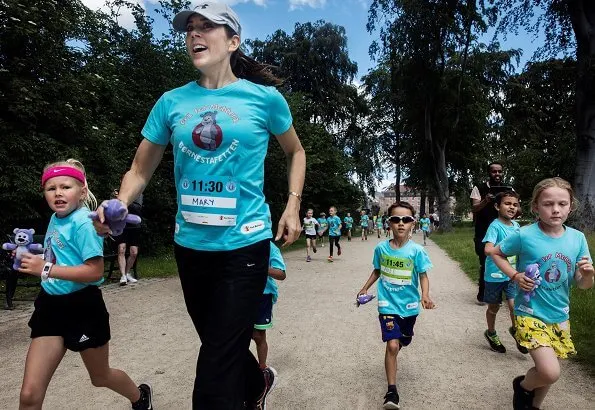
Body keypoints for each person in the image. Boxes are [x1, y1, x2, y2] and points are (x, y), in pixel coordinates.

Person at [93, 3, 306, 409]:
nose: (195, 34)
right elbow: (141, 166)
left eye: (208, 26)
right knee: (218, 343)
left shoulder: (264, 99)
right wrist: (119, 202)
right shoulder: (171, 103)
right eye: (190, 27)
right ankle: (255, 384)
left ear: (233, 41)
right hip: (191, 247)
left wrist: (292, 204)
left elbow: (296, 152)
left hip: (245, 244)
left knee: (212, 372)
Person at [17, 159, 152, 410]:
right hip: (49, 307)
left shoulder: (83, 223)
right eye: (51, 188)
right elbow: (59, 257)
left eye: (66, 187)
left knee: (100, 377)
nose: (58, 193)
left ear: (81, 191)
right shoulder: (56, 218)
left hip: (83, 308)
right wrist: (32, 258)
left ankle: (139, 396)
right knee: (29, 396)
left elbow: (95, 272)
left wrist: (45, 268)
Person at [489, 178, 593, 410]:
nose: (555, 209)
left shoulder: (577, 238)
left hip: (560, 316)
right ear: (535, 206)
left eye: (562, 204)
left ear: (570, 206)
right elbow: (496, 253)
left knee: (549, 374)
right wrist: (515, 276)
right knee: (550, 371)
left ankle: (533, 405)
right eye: (548, 204)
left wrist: (587, 275)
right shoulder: (525, 235)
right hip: (530, 313)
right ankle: (523, 386)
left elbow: (582, 284)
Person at [357, 201, 435, 409]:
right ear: (388, 223)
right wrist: (364, 288)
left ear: (413, 223)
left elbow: (423, 275)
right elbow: (377, 270)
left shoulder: (416, 251)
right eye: (396, 219)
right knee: (392, 345)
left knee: (403, 340)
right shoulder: (381, 249)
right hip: (387, 305)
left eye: (406, 219)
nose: (401, 223)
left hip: (409, 307)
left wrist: (425, 295)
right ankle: (392, 391)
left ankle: (402, 339)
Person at [481, 191, 526, 354]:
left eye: (515, 204)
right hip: (494, 275)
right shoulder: (495, 226)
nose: (512, 207)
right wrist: (503, 251)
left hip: (512, 274)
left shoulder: (516, 227)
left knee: (514, 306)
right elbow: (487, 250)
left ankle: (516, 330)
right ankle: (491, 333)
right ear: (497, 206)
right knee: (494, 307)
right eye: (507, 203)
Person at [471, 162, 510, 305]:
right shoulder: (479, 188)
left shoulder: (508, 189)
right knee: (485, 262)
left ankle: (502, 293)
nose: (497, 174)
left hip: (504, 232)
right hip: (483, 231)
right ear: (489, 173)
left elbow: (516, 209)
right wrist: (485, 201)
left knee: (505, 260)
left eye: (500, 171)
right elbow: (474, 208)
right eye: (494, 172)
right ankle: (482, 295)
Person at [252, 242, 286, 371]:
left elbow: (281, 274)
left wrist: (260, 268)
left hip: (263, 295)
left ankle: (262, 368)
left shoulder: (269, 246)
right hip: (238, 294)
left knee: (258, 335)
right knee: (239, 334)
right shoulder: (235, 241)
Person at [113, 190, 143, 286]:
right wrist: (117, 200)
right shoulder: (116, 193)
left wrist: (123, 201)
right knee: (121, 249)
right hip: (121, 225)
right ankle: (123, 276)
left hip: (134, 226)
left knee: (134, 252)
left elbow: (137, 207)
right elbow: (112, 209)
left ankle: (126, 273)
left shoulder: (138, 193)